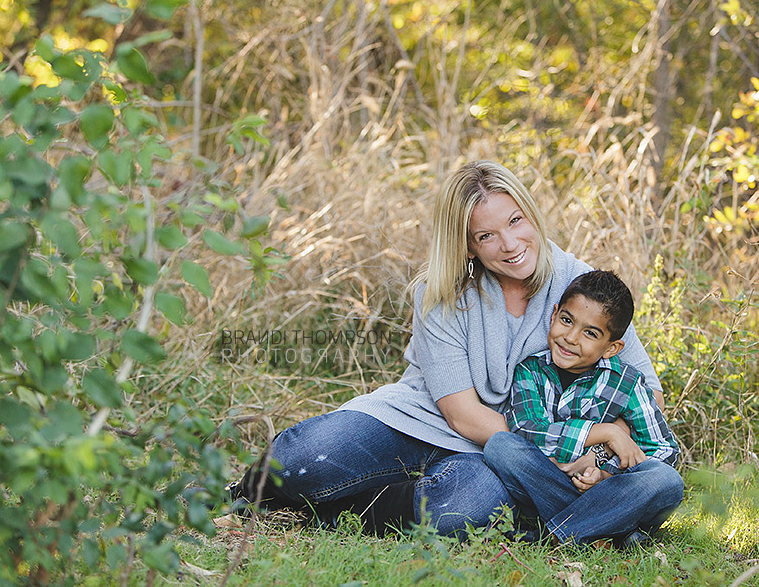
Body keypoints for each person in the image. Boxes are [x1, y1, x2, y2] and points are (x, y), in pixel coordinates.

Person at [222, 160, 665, 537]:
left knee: (463, 510)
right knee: (299, 461)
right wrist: (558, 453)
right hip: (421, 416)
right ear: (468, 246)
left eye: (515, 222)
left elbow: (646, 391)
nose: (510, 245)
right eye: (486, 236)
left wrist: (594, 456)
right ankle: (251, 491)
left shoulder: (580, 287)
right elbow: (461, 415)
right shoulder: (442, 292)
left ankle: (349, 510)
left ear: (531, 215)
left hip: (498, 450)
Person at [484, 270, 683, 548]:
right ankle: (609, 530)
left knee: (667, 481)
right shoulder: (530, 371)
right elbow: (527, 430)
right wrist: (607, 433)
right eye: (566, 320)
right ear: (554, 315)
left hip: (609, 491)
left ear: (612, 348)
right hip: (549, 483)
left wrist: (604, 473)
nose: (571, 337)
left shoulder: (626, 383)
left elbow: (665, 451)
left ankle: (556, 533)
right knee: (501, 446)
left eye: (590, 333)